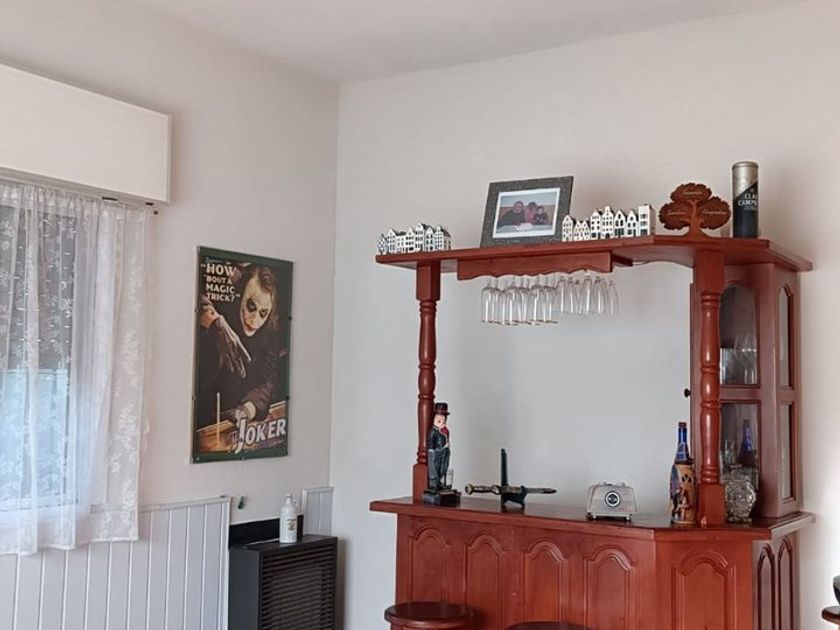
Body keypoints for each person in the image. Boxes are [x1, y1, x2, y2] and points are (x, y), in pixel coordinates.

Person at [196, 264, 286, 431]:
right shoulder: (223, 300)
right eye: (251, 306)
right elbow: (194, 295)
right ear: (240, 294)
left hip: (228, 422)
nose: (254, 320)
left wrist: (246, 410)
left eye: (263, 313)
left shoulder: (269, 335)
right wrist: (213, 321)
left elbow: (267, 384)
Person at [426, 402, 451, 491]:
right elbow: (430, 443)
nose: (441, 420)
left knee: (443, 467)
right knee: (434, 468)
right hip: (436, 451)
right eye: (439, 418)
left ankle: (439, 482)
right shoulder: (433, 431)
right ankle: (434, 484)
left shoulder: (445, 430)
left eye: (443, 418)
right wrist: (432, 452)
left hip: (445, 450)